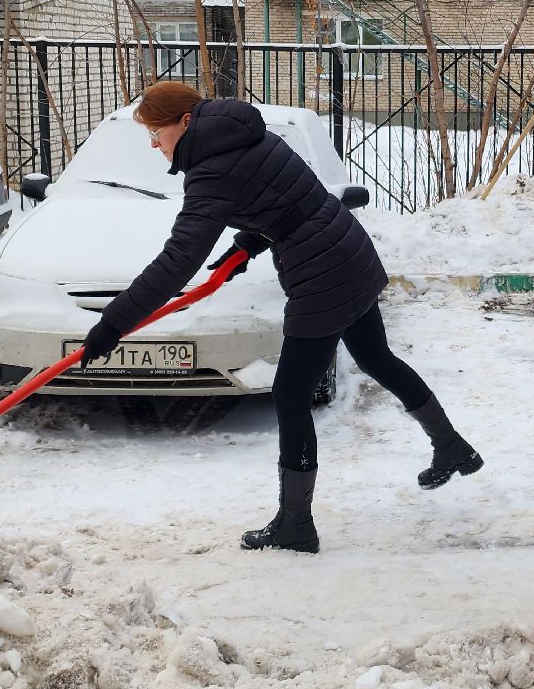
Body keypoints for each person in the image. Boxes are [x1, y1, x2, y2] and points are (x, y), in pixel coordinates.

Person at [80, 81, 483, 554]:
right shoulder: (242, 131)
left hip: (321, 271)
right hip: (347, 249)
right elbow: (284, 197)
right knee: (376, 358)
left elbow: (177, 262)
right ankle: (452, 447)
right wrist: (248, 242)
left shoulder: (210, 170)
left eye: (155, 132)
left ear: (184, 122)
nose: (154, 144)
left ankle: (295, 524)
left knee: (290, 395)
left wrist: (113, 324)